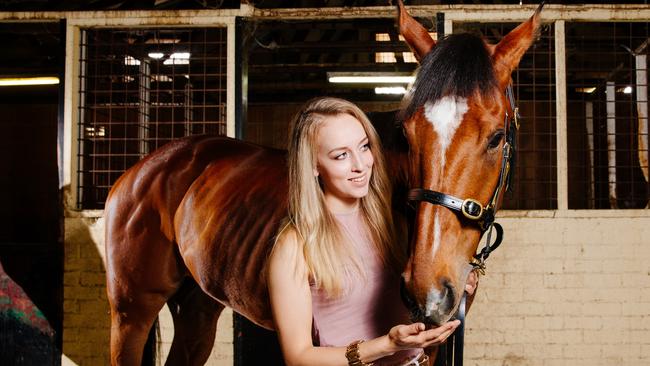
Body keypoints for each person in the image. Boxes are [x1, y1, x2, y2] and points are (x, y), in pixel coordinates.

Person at [267, 97, 477, 366]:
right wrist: (387, 345)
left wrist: (458, 285)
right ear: (313, 165)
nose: (360, 164)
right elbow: (298, 357)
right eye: (341, 155)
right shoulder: (295, 245)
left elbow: (417, 314)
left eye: (364, 147)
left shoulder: (395, 225)